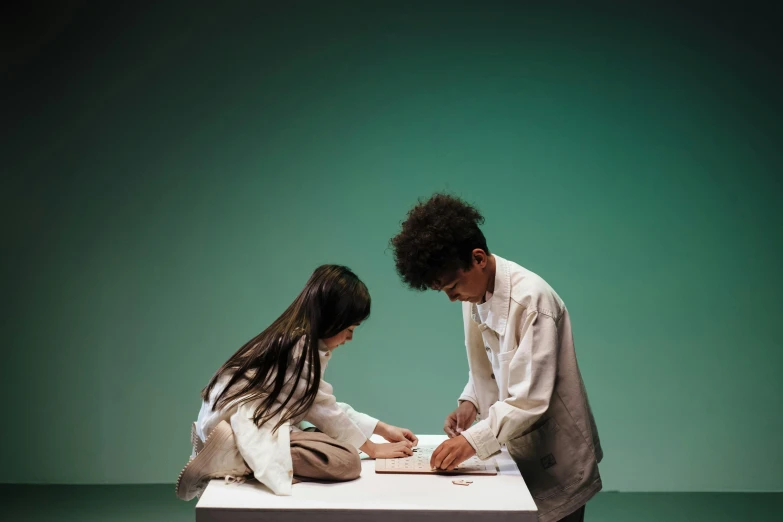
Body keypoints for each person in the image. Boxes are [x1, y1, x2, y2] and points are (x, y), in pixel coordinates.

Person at [390, 194, 602, 522]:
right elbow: (499, 360)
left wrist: (472, 441)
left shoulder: (532, 301)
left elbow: (528, 400)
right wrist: (471, 401)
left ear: (478, 258)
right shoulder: (473, 294)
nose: (451, 298)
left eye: (452, 287)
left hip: (555, 455)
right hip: (514, 451)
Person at [176, 265, 418, 501]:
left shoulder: (296, 340)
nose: (350, 337)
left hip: (244, 418)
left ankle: (247, 451)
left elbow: (319, 403)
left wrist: (382, 429)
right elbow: (324, 410)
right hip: (239, 423)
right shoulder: (299, 347)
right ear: (331, 318)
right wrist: (373, 449)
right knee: (348, 461)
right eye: (349, 328)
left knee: (335, 443)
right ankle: (236, 455)